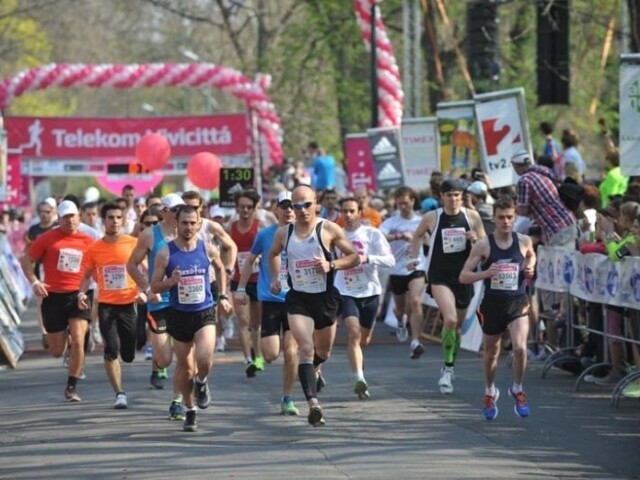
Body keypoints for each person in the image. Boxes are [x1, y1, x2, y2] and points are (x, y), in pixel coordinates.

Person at [267, 185, 360, 427]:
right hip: (298, 299)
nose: (301, 210)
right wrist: (276, 278)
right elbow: (273, 254)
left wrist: (332, 265)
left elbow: (354, 256)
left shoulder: (328, 229)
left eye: (306, 204)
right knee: (305, 348)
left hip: (326, 299)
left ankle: (315, 370)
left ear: (315, 203)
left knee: (323, 352)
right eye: (295, 206)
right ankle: (313, 405)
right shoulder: (283, 233)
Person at [151, 205, 232, 432]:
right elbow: (154, 285)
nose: (188, 227)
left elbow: (221, 268)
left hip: (204, 311)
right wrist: (170, 282)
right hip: (179, 314)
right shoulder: (165, 253)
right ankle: (189, 410)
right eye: (184, 222)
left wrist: (223, 294)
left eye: (192, 222)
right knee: (185, 367)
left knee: (205, 358)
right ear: (176, 224)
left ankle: (202, 382)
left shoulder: (207, 248)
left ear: (198, 223)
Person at [459, 197, 536, 420]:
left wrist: (530, 267)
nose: (505, 221)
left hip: (517, 301)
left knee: (520, 348)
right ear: (494, 218)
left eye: (510, 217)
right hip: (492, 304)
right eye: (501, 217)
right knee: (491, 354)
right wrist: (485, 273)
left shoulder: (523, 241)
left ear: (514, 218)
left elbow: (531, 255)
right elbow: (463, 276)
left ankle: (518, 388)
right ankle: (490, 391)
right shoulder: (484, 245)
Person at [408, 179, 486, 394]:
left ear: (463, 197)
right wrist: (413, 257)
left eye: (457, 195)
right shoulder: (432, 217)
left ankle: (449, 363)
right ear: (441, 197)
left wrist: (475, 239)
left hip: (463, 277)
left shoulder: (472, 216)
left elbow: (485, 245)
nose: (453, 199)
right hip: (439, 276)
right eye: (449, 195)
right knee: (450, 319)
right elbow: (416, 235)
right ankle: (447, 371)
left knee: (457, 327)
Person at [20, 200, 95, 402]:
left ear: (79, 216)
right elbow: (26, 259)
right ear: (59, 218)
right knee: (56, 351)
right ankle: (67, 343)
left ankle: (72, 386)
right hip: (53, 296)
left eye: (73, 216)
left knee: (79, 339)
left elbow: (96, 267)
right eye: (65, 217)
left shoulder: (88, 240)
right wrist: (35, 281)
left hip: (78, 295)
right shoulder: (47, 238)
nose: (70, 220)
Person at [234, 191, 301, 415]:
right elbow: (250, 260)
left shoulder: (305, 233)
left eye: (293, 206)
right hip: (271, 300)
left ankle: (288, 398)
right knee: (271, 354)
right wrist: (241, 288)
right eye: (284, 206)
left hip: (296, 300)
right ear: (276, 210)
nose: (289, 210)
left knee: (291, 352)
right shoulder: (265, 235)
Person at [126, 193, 186, 419]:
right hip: (159, 303)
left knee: (185, 358)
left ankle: (178, 401)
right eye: (174, 209)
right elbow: (131, 265)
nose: (179, 213)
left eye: (182, 208)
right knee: (164, 359)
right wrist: (147, 288)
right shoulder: (150, 235)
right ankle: (160, 366)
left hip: (185, 302)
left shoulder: (189, 231)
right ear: (164, 212)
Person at [78, 201, 141, 409]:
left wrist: (144, 290)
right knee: (111, 349)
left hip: (128, 303)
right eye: (110, 218)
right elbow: (86, 275)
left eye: (118, 217)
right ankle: (119, 393)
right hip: (106, 305)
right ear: (103, 221)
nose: (114, 221)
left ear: (123, 220)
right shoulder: (94, 248)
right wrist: (81, 293)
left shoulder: (132, 243)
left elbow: (145, 268)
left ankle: (127, 354)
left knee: (129, 354)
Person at [334, 197, 395, 399]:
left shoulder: (372, 234)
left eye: (352, 211)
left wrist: (368, 258)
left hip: (370, 291)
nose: (348, 215)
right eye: (345, 211)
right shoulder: (336, 235)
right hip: (345, 291)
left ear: (360, 212)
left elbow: (390, 261)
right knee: (353, 332)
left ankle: (358, 362)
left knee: (364, 339)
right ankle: (359, 378)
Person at [380, 187, 427, 356]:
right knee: (400, 308)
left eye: (406, 203)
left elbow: (429, 238)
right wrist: (398, 236)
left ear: (413, 201)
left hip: (416, 266)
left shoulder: (421, 221)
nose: (403, 207)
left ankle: (415, 341)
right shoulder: (392, 222)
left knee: (415, 301)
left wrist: (421, 239)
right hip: (397, 269)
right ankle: (400, 320)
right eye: (400, 204)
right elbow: (380, 235)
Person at [227, 189, 265, 376]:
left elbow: (270, 249)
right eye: (241, 207)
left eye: (249, 207)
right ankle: (247, 359)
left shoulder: (260, 226)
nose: (245, 210)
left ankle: (257, 355)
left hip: (257, 279)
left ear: (254, 208)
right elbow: (225, 249)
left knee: (256, 323)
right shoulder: (230, 227)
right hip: (238, 279)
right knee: (243, 319)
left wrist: (260, 257)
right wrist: (227, 268)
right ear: (237, 208)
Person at [25, 200, 58, 349]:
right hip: (40, 269)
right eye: (41, 212)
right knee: (41, 300)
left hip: (57, 269)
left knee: (57, 300)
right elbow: (28, 251)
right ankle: (44, 333)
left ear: (53, 212)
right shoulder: (33, 230)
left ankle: (58, 331)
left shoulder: (58, 228)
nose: (44, 215)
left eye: (47, 212)